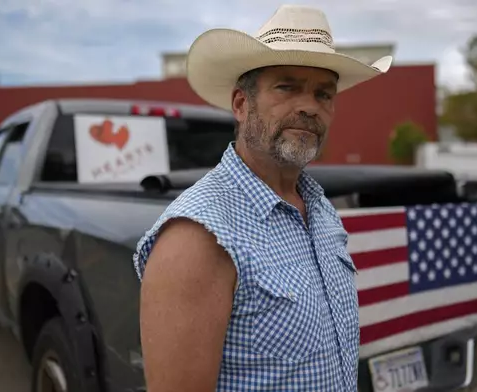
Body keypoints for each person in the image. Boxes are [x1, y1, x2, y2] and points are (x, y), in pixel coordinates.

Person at [132, 4, 392, 391]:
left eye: (324, 94)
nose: (309, 106)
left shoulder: (321, 212)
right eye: (287, 87)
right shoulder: (199, 236)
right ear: (241, 104)